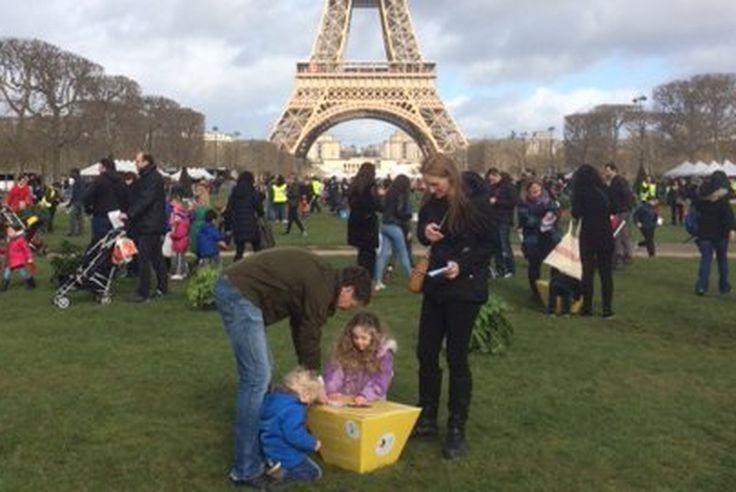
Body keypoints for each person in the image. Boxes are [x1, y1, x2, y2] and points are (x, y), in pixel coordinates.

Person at [213, 247, 371, 487]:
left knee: (262, 373)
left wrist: (309, 376)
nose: (348, 307)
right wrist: (316, 382)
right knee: (256, 378)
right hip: (239, 293)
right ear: (347, 290)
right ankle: (245, 469)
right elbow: (309, 334)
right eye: (353, 302)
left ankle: (267, 445)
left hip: (240, 290)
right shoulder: (322, 287)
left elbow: (300, 326)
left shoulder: (323, 280)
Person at [411, 155, 495, 460]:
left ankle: (457, 426)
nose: (431, 189)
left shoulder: (476, 204)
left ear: (450, 177)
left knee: (457, 357)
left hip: (464, 288)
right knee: (426, 351)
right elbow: (423, 230)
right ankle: (428, 417)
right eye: (427, 184)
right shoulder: (431, 202)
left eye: (435, 184)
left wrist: (462, 264)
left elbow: (490, 245)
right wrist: (425, 233)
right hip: (436, 286)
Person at [259, 367, 324, 486]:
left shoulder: (273, 397)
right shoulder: (294, 409)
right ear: (305, 395)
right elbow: (294, 435)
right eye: (311, 400)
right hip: (284, 453)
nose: (308, 404)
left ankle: (270, 466)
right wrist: (313, 443)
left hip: (267, 447)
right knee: (314, 472)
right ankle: (282, 476)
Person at [571, 164, 615, 318]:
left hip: (588, 234)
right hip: (605, 232)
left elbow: (576, 213)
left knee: (588, 273)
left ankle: (587, 308)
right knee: (606, 273)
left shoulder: (581, 193)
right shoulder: (604, 190)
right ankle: (607, 309)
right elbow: (613, 208)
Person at [324, 311, 396, 405]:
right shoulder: (343, 350)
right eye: (355, 337)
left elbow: (380, 379)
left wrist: (365, 396)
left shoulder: (383, 354)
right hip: (347, 399)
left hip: (373, 401)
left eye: (363, 338)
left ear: (374, 337)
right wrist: (332, 390)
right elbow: (334, 372)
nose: (359, 342)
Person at [124, 152, 168, 302]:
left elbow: (145, 200)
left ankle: (143, 292)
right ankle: (162, 287)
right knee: (156, 258)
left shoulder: (152, 178)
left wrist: (130, 214)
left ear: (146, 162)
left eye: (138, 161)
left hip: (149, 224)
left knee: (143, 258)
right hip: (152, 223)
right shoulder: (148, 177)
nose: (135, 164)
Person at [692, 171, 735, 296]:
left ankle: (701, 286)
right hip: (720, 233)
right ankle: (723, 286)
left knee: (705, 260)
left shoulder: (702, 199)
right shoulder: (723, 201)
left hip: (704, 233)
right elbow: (729, 217)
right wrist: (731, 229)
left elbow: (696, 210)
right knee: (722, 260)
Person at [517, 180, 560, 298]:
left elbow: (555, 212)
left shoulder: (547, 200)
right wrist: (542, 221)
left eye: (538, 188)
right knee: (534, 264)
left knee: (556, 263)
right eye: (533, 188)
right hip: (532, 238)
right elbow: (527, 220)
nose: (535, 190)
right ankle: (535, 292)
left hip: (550, 236)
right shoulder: (523, 203)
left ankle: (555, 287)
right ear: (528, 190)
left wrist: (551, 214)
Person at [374, 174, 413, 290]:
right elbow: (401, 213)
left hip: (385, 224)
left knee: (383, 255)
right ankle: (413, 279)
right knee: (404, 254)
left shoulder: (388, 194)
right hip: (395, 226)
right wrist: (408, 219)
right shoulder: (402, 196)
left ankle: (378, 282)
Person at [348, 163, 381, 279]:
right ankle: (367, 279)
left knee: (362, 254)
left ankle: (361, 277)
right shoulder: (371, 186)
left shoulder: (354, 185)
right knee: (370, 255)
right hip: (368, 223)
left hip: (356, 223)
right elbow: (378, 205)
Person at [83, 158, 128, 243]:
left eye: (99, 167)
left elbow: (87, 197)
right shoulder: (121, 181)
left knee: (99, 242)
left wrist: (88, 210)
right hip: (117, 216)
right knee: (116, 242)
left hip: (101, 215)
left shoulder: (99, 180)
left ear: (104, 167)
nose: (98, 169)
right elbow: (127, 198)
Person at [223, 171, 264, 262]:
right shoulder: (253, 192)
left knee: (239, 250)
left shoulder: (234, 192)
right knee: (257, 248)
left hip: (238, 222)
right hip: (251, 222)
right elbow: (258, 207)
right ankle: (261, 265)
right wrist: (261, 214)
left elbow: (229, 209)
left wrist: (227, 226)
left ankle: (236, 267)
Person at [486, 169, 517, 278]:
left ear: (498, 176)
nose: (491, 180)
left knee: (504, 245)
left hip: (504, 219)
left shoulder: (508, 187)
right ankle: (500, 269)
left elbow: (513, 202)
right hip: (493, 219)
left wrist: (497, 202)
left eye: (492, 178)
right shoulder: (491, 188)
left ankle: (510, 268)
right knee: (496, 245)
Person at [603, 163, 635, 269]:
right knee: (624, 234)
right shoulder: (618, 182)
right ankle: (628, 255)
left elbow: (620, 197)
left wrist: (619, 209)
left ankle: (619, 258)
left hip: (620, 212)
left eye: (608, 170)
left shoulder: (618, 182)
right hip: (623, 211)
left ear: (614, 170)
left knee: (617, 235)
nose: (606, 173)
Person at [1, 225, 36, 291]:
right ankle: (4, 287)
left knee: (23, 273)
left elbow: (27, 250)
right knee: (6, 273)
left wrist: (29, 258)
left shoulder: (20, 240)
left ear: (16, 232)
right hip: (10, 262)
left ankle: (31, 284)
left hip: (19, 261)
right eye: (8, 232)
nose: (9, 233)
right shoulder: (10, 241)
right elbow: (7, 250)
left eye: (11, 231)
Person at [168, 192, 190, 280]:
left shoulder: (177, 214)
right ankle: (183, 271)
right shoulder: (182, 214)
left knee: (179, 256)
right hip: (180, 237)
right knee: (180, 256)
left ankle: (179, 272)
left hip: (179, 237)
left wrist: (173, 233)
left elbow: (175, 225)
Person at [67, 168, 85, 237]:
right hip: (81, 201)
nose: (71, 174)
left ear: (76, 173)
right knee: (79, 218)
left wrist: (70, 203)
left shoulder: (77, 182)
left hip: (77, 202)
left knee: (73, 217)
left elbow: (75, 194)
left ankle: (72, 232)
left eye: (72, 173)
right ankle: (79, 232)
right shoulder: (81, 181)